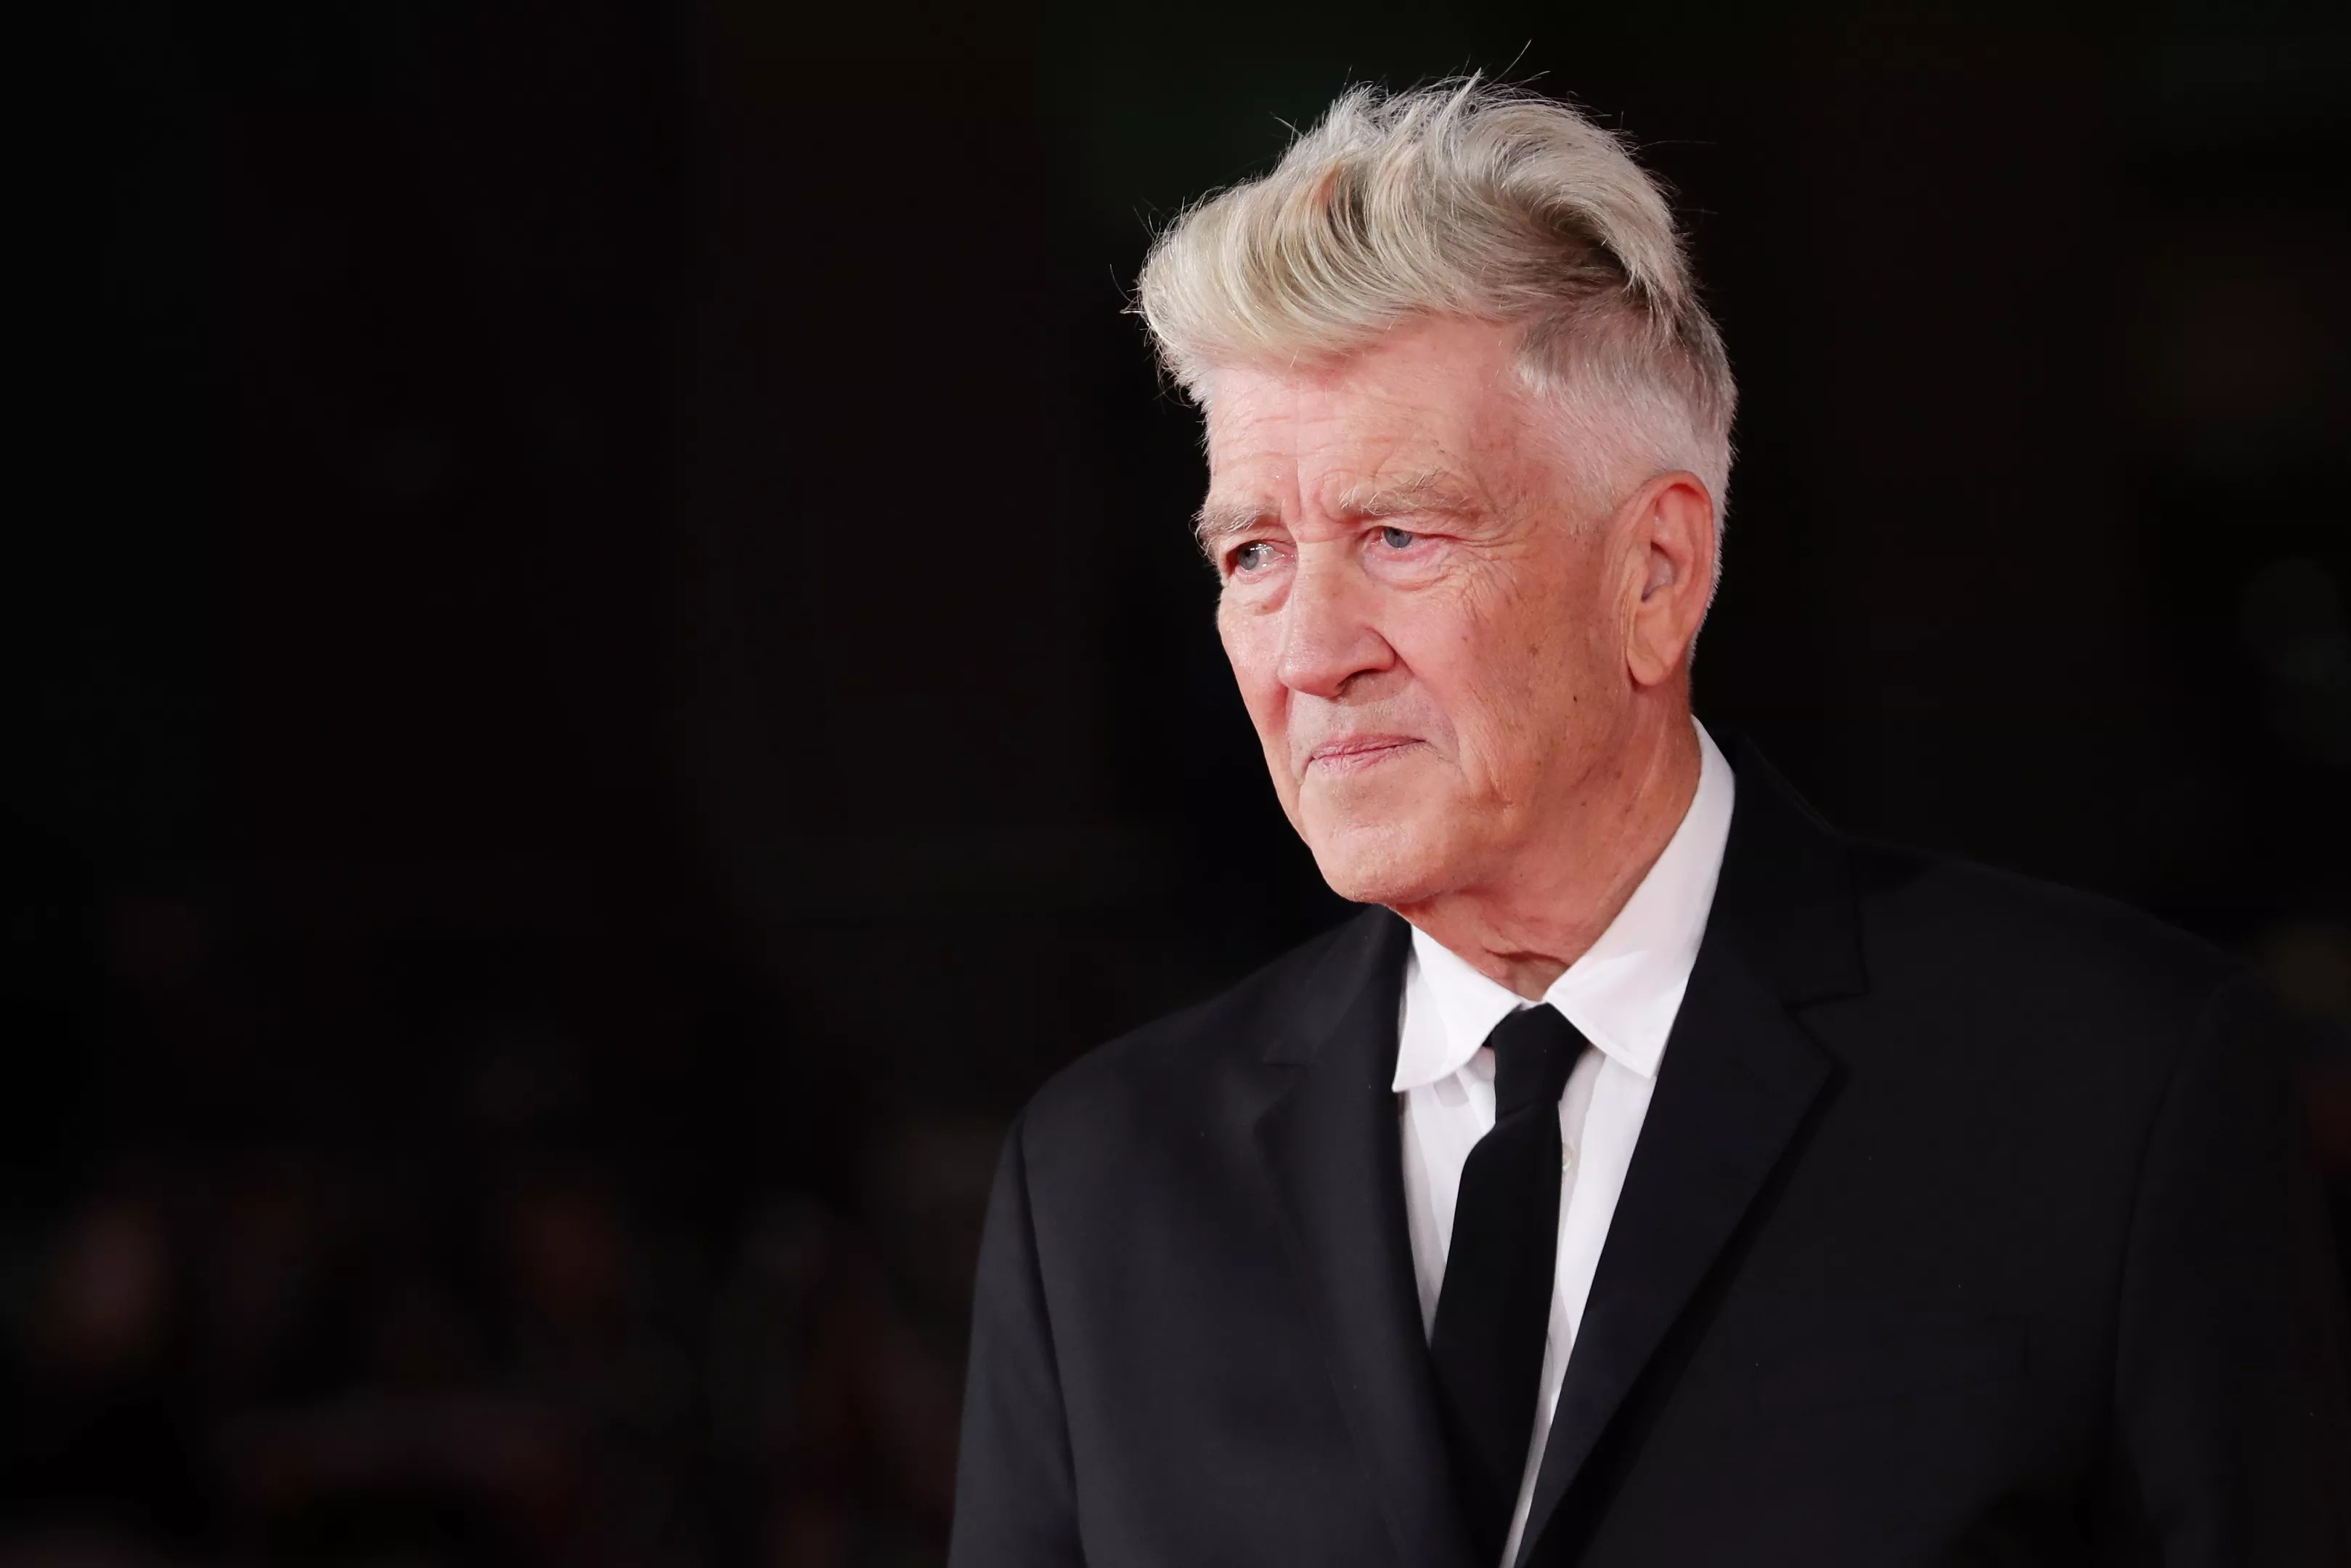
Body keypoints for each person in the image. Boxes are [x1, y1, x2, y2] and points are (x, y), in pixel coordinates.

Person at [948, 80, 2351, 1567]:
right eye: (1251, 552)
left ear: (1655, 573)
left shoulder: (2111, 1093)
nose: (1307, 650)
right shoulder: (1101, 1184)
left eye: (1397, 535)